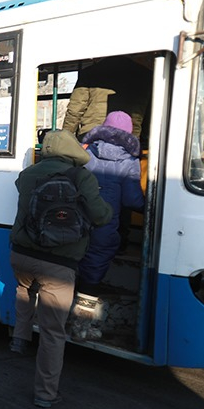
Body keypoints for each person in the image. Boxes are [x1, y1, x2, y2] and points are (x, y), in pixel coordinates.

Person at [8, 129, 111, 408]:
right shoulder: (81, 177)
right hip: (58, 265)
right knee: (53, 332)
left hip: (21, 255)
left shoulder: (28, 174)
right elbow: (100, 216)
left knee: (24, 287)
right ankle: (45, 393)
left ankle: (19, 338)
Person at [78, 111, 144, 290]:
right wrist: (148, 207)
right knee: (100, 251)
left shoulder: (84, 151)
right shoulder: (129, 160)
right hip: (105, 220)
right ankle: (87, 289)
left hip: (78, 214)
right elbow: (132, 200)